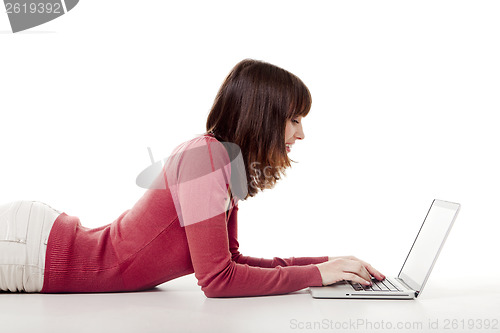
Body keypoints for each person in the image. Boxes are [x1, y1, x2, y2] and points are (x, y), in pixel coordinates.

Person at [0, 59, 385, 297]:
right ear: (264, 118)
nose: (301, 135)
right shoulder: (205, 159)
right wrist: (315, 275)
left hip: (40, 244)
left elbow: (230, 261)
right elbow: (218, 281)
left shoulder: (224, 165)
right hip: (33, 252)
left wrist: (330, 263)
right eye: (295, 120)